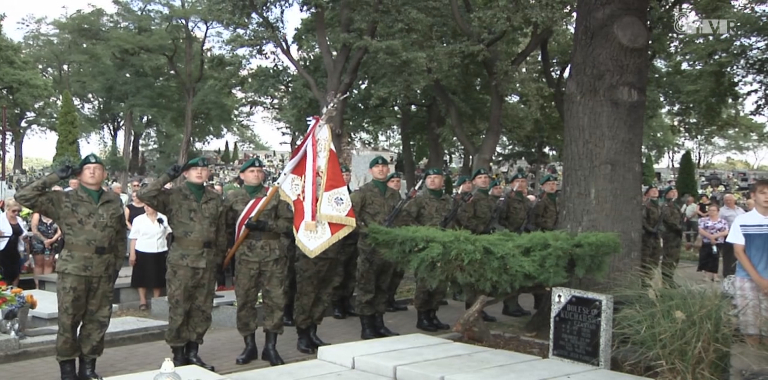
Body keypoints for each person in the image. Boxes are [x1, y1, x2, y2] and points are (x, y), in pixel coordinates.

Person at [15, 154, 126, 380]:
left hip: (103, 269)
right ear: (79, 174)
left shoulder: (114, 200)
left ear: (104, 173)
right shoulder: (64, 199)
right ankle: (67, 371)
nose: (93, 172)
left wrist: (115, 267)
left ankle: (87, 368)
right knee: (69, 320)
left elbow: (119, 236)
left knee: (98, 321)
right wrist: (55, 176)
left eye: (98, 168)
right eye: (88, 168)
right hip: (74, 269)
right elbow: (23, 195)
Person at [137, 157, 226, 371]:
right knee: (180, 305)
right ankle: (178, 353)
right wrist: (168, 175)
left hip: (207, 259)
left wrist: (220, 260)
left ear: (208, 174)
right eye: (194, 169)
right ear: (185, 173)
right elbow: (144, 195)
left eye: (203, 169)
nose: (199, 172)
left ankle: (194, 352)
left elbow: (221, 231)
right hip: (182, 260)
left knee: (202, 307)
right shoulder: (174, 195)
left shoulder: (214, 198)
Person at [223, 157, 292, 366]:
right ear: (242, 175)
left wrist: (266, 224)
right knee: (245, 301)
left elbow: (288, 225)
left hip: (273, 257)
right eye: (251, 171)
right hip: (245, 257)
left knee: (276, 300)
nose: (256, 174)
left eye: (259, 171)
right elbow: (225, 228)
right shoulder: (232, 198)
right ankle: (249, 346)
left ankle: (270, 347)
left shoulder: (274, 195)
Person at [351, 156, 402, 338]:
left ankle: (379, 324)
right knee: (366, 288)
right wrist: (366, 232)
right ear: (370, 171)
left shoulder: (394, 194)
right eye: (377, 167)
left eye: (383, 167)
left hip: (387, 249)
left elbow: (400, 219)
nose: (381, 169)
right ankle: (366, 327)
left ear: (388, 170)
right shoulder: (362, 193)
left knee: (383, 287)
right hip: (369, 248)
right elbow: (350, 218)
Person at [399, 168, 452, 332]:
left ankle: (433, 314)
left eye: (436, 178)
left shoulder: (448, 200)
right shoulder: (419, 200)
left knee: (440, 283)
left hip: (443, 245)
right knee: (424, 282)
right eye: (429, 178)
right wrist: (421, 233)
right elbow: (405, 218)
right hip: (424, 245)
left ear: (442, 181)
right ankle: (422, 316)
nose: (432, 181)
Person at [727, 179, 768, 347]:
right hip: (746, 280)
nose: (767, 197)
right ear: (753, 195)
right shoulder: (743, 220)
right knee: (751, 328)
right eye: (762, 193)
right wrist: (761, 281)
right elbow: (739, 251)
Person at [455, 168, 498, 322]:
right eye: (480, 177)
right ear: (474, 182)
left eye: (486, 177)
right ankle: (472, 309)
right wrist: (481, 229)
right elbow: (464, 217)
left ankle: (480, 308)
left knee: (484, 278)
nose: (484, 180)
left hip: (490, 241)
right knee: (473, 278)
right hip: (475, 240)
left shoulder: (491, 198)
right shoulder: (472, 198)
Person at [500, 167, 533, 317]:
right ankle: (509, 305)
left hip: (522, 239)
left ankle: (515, 303)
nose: (520, 184)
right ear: (511, 183)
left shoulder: (526, 201)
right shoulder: (507, 200)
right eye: (517, 181)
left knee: (518, 274)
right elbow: (500, 219)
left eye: (523, 181)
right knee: (509, 273)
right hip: (509, 239)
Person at [128, 204, 171, 310]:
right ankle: (142, 301)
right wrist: (132, 254)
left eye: (149, 206)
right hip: (143, 250)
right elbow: (134, 237)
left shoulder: (162, 217)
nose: (146, 208)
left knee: (158, 276)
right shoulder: (139, 220)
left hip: (159, 250)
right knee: (141, 276)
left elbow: (167, 232)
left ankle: (156, 300)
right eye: (145, 206)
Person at [331, 165, 359, 319]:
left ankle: (347, 301)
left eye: (348, 174)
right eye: (343, 174)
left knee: (350, 273)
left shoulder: (353, 194)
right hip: (339, 241)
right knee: (338, 274)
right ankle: (336, 304)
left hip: (353, 239)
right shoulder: (332, 195)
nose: (346, 177)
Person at [384, 171, 407, 312]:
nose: (396, 184)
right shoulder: (386, 199)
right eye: (393, 181)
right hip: (388, 241)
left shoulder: (401, 198)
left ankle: (391, 299)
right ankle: (385, 301)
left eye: (398, 181)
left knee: (397, 273)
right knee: (387, 274)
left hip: (399, 240)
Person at [0, 199, 29, 287]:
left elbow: (23, 232)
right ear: (7, 209)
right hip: (3, 249)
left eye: (18, 211)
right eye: (13, 211)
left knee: (16, 272)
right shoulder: (1, 218)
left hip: (15, 249)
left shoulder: (19, 220)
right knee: (4, 273)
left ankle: (14, 291)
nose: (16, 213)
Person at [30, 211, 62, 288]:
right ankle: (38, 286)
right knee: (38, 264)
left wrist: (52, 240)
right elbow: (34, 229)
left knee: (49, 264)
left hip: (52, 242)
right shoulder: (37, 215)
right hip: (38, 243)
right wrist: (45, 240)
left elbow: (60, 230)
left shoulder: (56, 214)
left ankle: (47, 285)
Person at [697, 203, 729, 282]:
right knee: (706, 257)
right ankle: (706, 275)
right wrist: (710, 237)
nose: (712, 212)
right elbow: (701, 230)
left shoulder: (723, 221)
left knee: (715, 258)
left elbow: (726, 231)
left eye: (714, 210)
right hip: (706, 241)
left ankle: (715, 275)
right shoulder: (703, 220)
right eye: (710, 210)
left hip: (718, 242)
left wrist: (715, 236)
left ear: (718, 211)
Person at [660, 186, 683, 287]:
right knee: (668, 257)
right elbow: (668, 219)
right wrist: (678, 227)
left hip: (677, 235)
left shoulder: (676, 205)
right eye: (672, 192)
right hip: (670, 234)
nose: (674, 193)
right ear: (667, 194)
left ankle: (670, 278)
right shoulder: (665, 205)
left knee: (675, 258)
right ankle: (666, 279)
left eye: (675, 191)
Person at [719, 194, 745, 278]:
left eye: (730, 200)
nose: (728, 201)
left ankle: (737, 272)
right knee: (729, 255)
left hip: (741, 235)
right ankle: (727, 274)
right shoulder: (722, 211)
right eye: (726, 200)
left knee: (739, 254)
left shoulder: (740, 209)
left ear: (734, 200)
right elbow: (719, 223)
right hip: (729, 235)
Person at [641, 185, 662, 284]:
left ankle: (650, 278)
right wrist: (650, 229)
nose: (655, 192)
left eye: (656, 190)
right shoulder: (646, 205)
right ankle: (644, 280)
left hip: (656, 235)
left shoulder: (659, 205)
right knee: (646, 258)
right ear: (647, 193)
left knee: (655, 257)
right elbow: (643, 219)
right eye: (652, 190)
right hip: (647, 235)